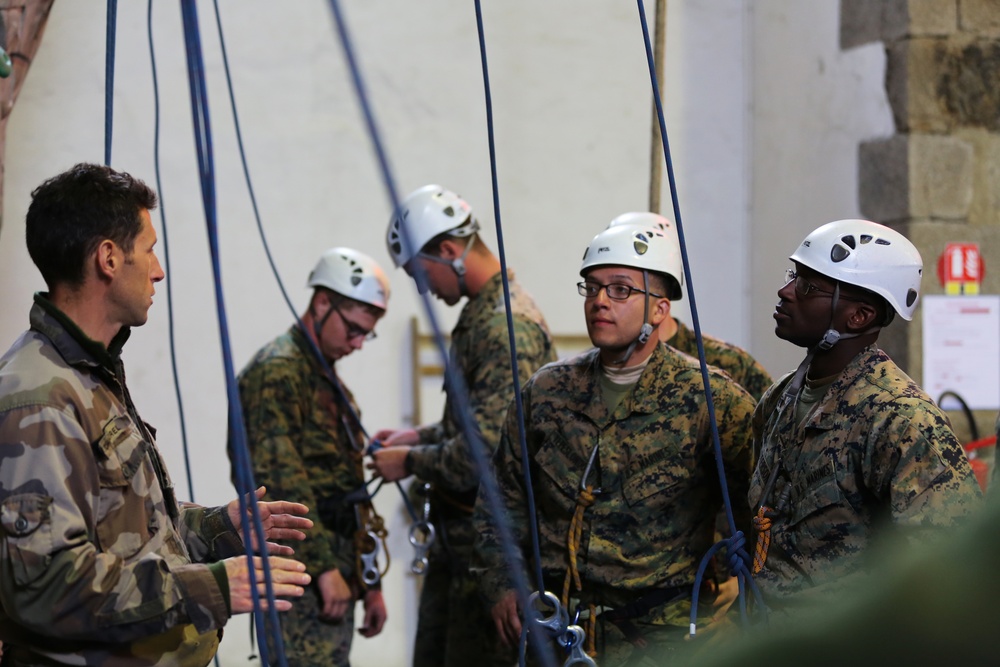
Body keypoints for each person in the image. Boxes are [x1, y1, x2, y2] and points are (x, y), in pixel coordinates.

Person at [0, 163, 312, 666]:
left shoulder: (90, 374)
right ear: (107, 258)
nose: (158, 270)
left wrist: (218, 528)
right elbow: (47, 586)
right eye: (148, 249)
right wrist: (210, 587)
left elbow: (124, 529)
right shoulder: (40, 395)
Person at [472, 221, 756, 665]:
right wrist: (501, 583)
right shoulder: (546, 393)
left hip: (662, 641)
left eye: (621, 290)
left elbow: (762, 514)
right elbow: (500, 499)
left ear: (660, 311)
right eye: (592, 288)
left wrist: (742, 606)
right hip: (556, 631)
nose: (600, 301)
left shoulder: (711, 400)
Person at [749, 218, 983, 615]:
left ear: (858, 317)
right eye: (794, 276)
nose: (785, 292)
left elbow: (955, 572)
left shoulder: (902, 420)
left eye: (807, 286)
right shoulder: (779, 400)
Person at [369, 184, 556, 667]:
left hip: (492, 554)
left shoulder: (503, 327)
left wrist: (408, 461)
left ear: (449, 252)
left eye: (418, 272)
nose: (423, 287)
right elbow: (478, 425)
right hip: (464, 545)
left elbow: (484, 457)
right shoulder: (482, 316)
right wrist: (419, 437)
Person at [235, 247, 390, 666]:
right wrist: (322, 569)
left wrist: (368, 579)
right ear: (322, 303)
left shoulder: (327, 380)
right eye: (354, 329)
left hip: (335, 573)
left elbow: (350, 488)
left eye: (366, 334)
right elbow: (278, 484)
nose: (358, 344)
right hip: (301, 575)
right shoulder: (278, 372)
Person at [608, 212, 773, 401]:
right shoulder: (591, 368)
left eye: (621, 287)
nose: (603, 300)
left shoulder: (729, 365)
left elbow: (769, 425)